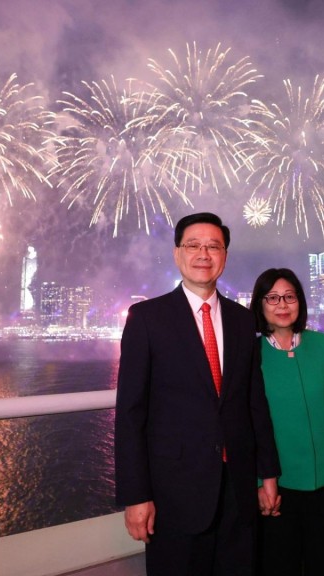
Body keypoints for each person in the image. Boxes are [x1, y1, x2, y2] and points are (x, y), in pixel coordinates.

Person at [115, 212, 282, 576]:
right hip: (174, 490)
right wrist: (136, 495)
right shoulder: (147, 318)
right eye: (193, 245)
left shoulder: (242, 320)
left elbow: (254, 403)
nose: (203, 254)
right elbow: (130, 414)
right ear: (177, 253)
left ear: (225, 256)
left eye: (213, 246)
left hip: (238, 486)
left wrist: (268, 473)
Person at [250, 267, 324, 575]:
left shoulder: (322, 345)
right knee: (280, 565)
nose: (282, 304)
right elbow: (247, 425)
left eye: (289, 296)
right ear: (260, 304)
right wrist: (260, 482)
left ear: (300, 302)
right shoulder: (251, 354)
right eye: (272, 297)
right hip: (280, 483)